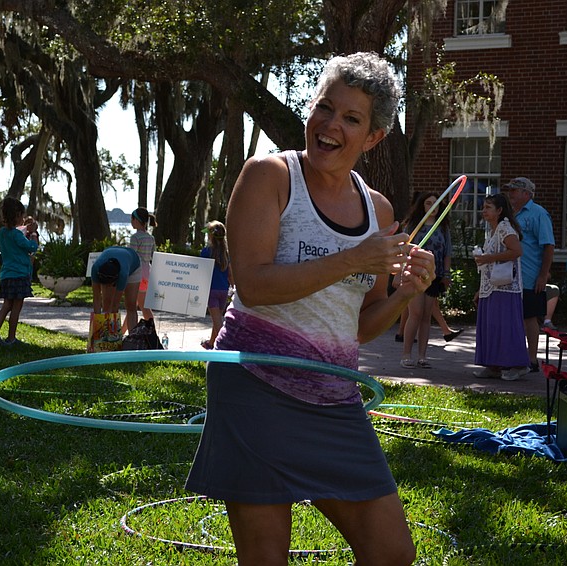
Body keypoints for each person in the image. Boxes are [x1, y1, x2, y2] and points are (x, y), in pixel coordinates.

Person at [185, 52, 432, 566]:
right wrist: (352, 259)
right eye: (325, 107)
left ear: (373, 138)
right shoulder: (269, 176)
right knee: (267, 557)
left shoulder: (378, 210)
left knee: (392, 551)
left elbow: (360, 327)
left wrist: (405, 294)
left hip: (334, 397)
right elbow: (252, 286)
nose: (330, 125)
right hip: (254, 385)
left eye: (351, 118)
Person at [473, 193, 529, 381]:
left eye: (488, 207)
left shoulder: (505, 228)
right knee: (492, 326)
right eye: (484, 207)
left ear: (499, 210)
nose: (484, 211)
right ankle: (493, 365)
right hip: (491, 287)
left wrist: (489, 258)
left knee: (506, 326)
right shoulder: (493, 230)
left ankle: (517, 365)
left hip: (505, 287)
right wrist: (480, 289)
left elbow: (516, 251)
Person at [503, 176, 554, 374]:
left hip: (530, 275)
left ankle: (532, 359)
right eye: (510, 190)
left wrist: (543, 275)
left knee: (529, 317)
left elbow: (548, 246)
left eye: (514, 191)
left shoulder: (538, 214)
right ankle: (514, 356)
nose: (511, 195)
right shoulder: (508, 214)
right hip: (510, 275)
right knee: (513, 316)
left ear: (526, 194)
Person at [399, 191, 452, 368]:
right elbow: (403, 248)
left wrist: (446, 274)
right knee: (415, 313)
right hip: (415, 274)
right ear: (422, 205)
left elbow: (447, 254)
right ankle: (406, 354)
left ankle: (422, 356)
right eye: (428, 203)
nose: (433, 207)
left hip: (434, 276)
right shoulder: (414, 225)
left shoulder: (443, 227)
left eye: (436, 204)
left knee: (426, 316)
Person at [0, 197, 39, 345]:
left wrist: (25, 229)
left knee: (6, 306)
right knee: (16, 308)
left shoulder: (2, 233)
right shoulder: (16, 234)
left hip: (7, 274)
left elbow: (16, 237)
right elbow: (32, 247)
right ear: (17, 215)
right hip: (20, 274)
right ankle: (11, 338)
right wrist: (34, 233)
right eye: (22, 216)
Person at [90, 246, 142, 333]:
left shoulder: (123, 274)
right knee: (106, 303)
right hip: (114, 256)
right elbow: (96, 298)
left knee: (131, 304)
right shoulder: (95, 269)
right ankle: (103, 337)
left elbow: (115, 305)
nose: (107, 287)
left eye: (109, 285)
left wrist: (112, 332)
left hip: (133, 264)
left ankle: (132, 338)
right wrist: (97, 323)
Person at [200, 220, 233, 349]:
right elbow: (230, 273)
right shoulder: (226, 253)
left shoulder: (206, 251)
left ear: (211, 236)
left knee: (217, 321)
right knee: (217, 318)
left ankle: (223, 347)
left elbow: (200, 270)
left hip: (211, 290)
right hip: (224, 290)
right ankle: (211, 344)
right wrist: (234, 287)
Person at [128, 207, 157, 324]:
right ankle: (123, 331)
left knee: (142, 306)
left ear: (135, 220)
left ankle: (152, 331)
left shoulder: (135, 237)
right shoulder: (151, 238)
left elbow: (132, 256)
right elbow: (152, 254)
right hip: (147, 272)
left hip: (137, 273)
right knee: (133, 306)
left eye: (132, 219)